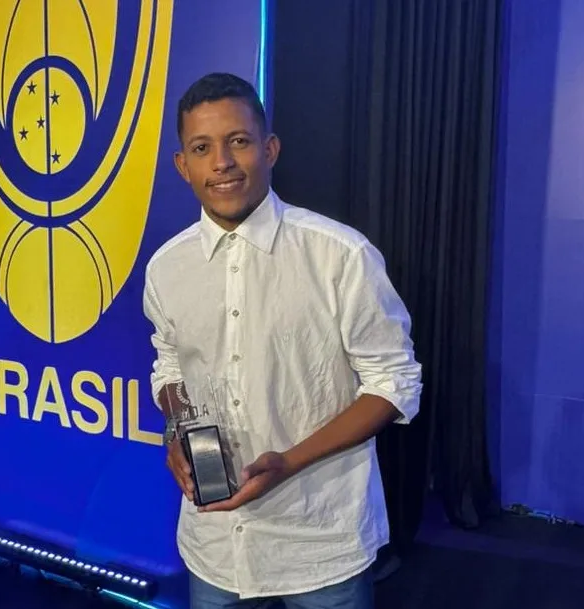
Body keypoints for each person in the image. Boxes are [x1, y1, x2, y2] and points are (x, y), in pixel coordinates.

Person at [142, 72, 422, 608]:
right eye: (202, 148)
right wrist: (177, 430)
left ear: (269, 149)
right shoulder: (167, 267)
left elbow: (394, 382)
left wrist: (290, 462)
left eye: (238, 141)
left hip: (319, 538)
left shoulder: (341, 256)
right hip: (215, 544)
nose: (221, 161)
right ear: (183, 165)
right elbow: (170, 363)